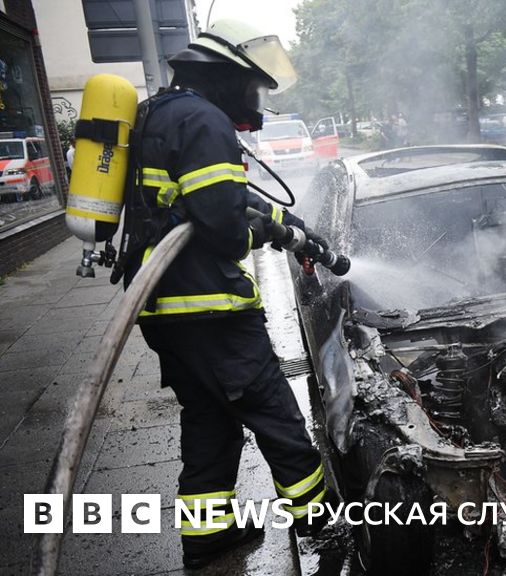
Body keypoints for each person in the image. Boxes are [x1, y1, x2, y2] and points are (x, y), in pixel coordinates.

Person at [119, 20, 330, 568]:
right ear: (226, 76)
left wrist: (293, 228)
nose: (255, 98)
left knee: (210, 423)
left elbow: (212, 200)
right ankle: (320, 522)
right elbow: (226, 228)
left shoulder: (160, 113)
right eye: (253, 85)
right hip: (212, 309)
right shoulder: (203, 120)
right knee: (275, 415)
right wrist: (266, 233)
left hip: (167, 310)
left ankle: (207, 534)